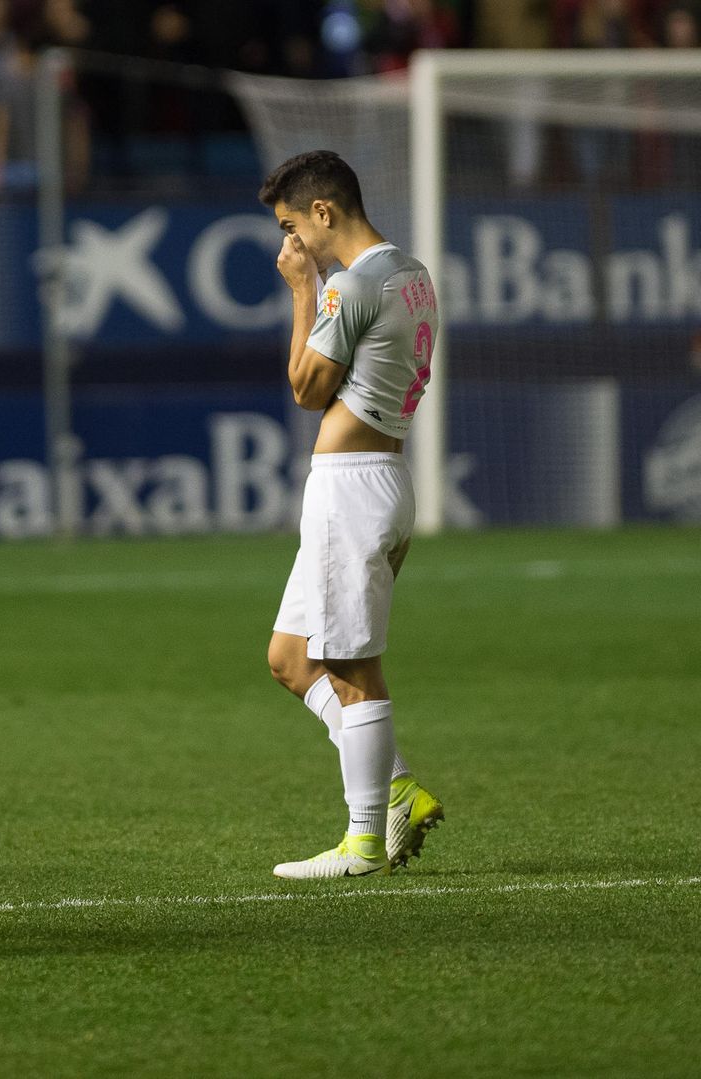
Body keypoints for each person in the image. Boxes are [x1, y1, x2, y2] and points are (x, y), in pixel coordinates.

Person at [258, 151, 444, 880]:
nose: (291, 243)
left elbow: (307, 386)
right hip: (380, 473)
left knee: (351, 663)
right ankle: (396, 785)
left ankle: (364, 837)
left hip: (353, 484)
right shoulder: (411, 271)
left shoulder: (352, 283)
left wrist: (305, 290)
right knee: (291, 658)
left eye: (291, 225)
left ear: (324, 213)